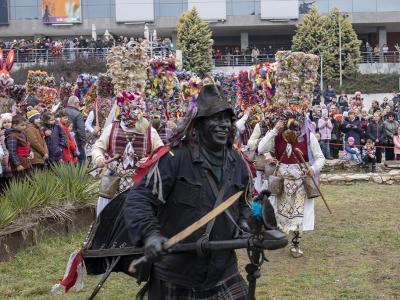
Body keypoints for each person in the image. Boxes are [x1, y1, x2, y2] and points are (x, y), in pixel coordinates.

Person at [123, 84, 252, 299]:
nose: (223, 125)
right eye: (215, 118)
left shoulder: (238, 162)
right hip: (177, 274)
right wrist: (150, 235)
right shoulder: (174, 160)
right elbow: (138, 200)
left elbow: (244, 202)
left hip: (223, 270)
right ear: (198, 125)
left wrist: (247, 221)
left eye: (227, 119)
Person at [258, 115, 325, 258]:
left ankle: (295, 244)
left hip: (301, 182)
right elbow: (261, 148)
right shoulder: (277, 136)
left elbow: (320, 158)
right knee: (279, 212)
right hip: (282, 182)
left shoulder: (308, 137)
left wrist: (313, 168)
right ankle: (277, 237)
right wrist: (274, 130)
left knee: (299, 215)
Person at [92, 91, 163, 215]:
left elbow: (162, 153)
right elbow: (98, 147)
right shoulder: (111, 129)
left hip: (140, 184)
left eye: (139, 109)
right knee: (107, 218)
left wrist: (150, 160)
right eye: (134, 109)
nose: (137, 113)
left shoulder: (150, 131)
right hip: (113, 183)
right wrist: (98, 158)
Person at [5, 115, 33, 179]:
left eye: (25, 125)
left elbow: (27, 144)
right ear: (14, 125)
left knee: (29, 180)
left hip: (26, 161)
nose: (25, 127)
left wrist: (30, 151)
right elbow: (12, 152)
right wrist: (18, 164)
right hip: (19, 164)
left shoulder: (22, 133)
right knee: (21, 182)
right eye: (22, 125)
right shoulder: (12, 136)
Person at [63, 96, 87, 164]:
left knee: (68, 161)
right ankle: (81, 174)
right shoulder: (78, 114)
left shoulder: (62, 111)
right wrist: (83, 142)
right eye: (78, 103)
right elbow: (81, 130)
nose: (79, 105)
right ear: (76, 103)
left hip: (64, 141)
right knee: (81, 161)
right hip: (76, 142)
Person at [0, 113, 13, 189]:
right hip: (5, 158)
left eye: (9, 122)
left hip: (13, 157)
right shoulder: (1, 134)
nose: (7, 124)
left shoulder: (14, 132)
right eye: (4, 122)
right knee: (7, 180)